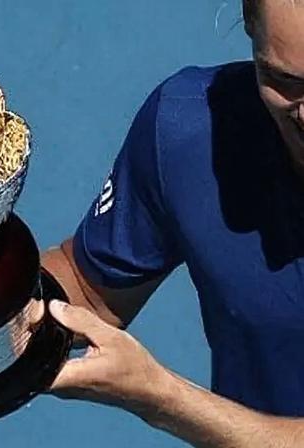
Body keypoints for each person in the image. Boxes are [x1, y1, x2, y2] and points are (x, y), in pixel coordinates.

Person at [39, 0, 304, 446]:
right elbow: (88, 292)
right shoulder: (189, 131)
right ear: (249, 24)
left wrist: (162, 398)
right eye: (285, 80)